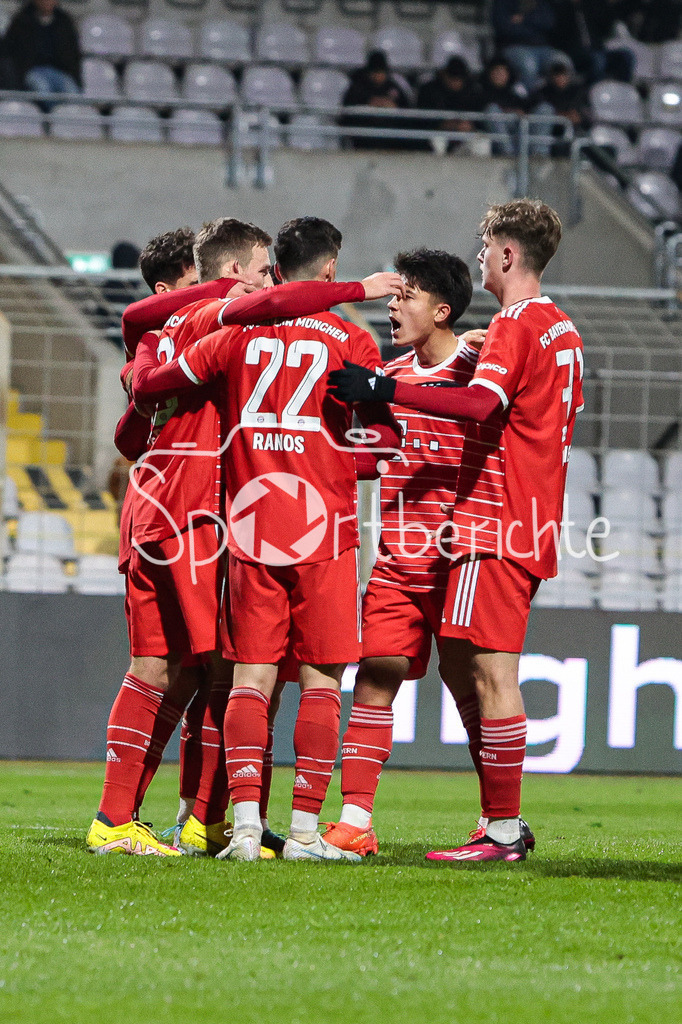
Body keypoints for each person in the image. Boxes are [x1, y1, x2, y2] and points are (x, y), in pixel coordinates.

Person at [131, 217, 404, 863]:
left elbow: (155, 386)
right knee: (320, 682)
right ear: (332, 271)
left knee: (248, 679)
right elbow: (386, 441)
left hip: (250, 526)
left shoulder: (236, 332)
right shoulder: (352, 340)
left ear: (275, 268)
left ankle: (245, 828)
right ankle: (306, 833)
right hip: (325, 528)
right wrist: (337, 457)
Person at [328, 199, 584, 862]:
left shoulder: (499, 342)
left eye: (405, 296)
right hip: (411, 548)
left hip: (479, 534)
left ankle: (501, 825)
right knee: (384, 671)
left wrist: (386, 393)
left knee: (478, 677)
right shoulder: (553, 333)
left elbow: (482, 405)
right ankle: (356, 820)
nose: (392, 306)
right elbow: (370, 456)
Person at [86, 219, 275, 857]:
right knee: (225, 664)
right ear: (231, 275)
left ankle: (119, 819)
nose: (267, 282)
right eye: (261, 268)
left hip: (150, 504)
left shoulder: (156, 334)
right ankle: (206, 818)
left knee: (168, 669)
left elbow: (125, 435)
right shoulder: (214, 319)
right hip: (192, 508)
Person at [4, 0, 81, 95]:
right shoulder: (22, 21)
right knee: (43, 89)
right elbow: (9, 51)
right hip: (32, 70)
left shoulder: (64, 21)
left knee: (72, 91)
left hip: (60, 71)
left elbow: (73, 54)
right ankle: (53, 110)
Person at [341, 50, 411, 150]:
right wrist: (369, 104)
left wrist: (392, 106)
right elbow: (347, 113)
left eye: (381, 72)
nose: (378, 76)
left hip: (391, 141)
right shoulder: (357, 87)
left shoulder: (393, 87)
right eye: (375, 72)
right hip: (363, 139)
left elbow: (406, 111)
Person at [492, 0, 566, 93]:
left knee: (562, 62)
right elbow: (504, 28)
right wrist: (534, 27)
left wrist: (524, 19)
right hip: (514, 46)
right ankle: (528, 101)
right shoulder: (503, 2)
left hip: (542, 48)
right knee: (529, 66)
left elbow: (549, 22)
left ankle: (560, 102)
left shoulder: (541, 3)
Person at [416, 56, 484, 151]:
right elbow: (422, 120)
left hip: (465, 134)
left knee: (482, 142)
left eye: (458, 79)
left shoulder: (473, 92)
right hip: (439, 133)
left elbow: (480, 119)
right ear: (445, 75)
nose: (455, 82)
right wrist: (443, 125)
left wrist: (470, 125)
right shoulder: (430, 90)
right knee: (437, 141)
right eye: (452, 77)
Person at [531, 61, 589, 157]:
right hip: (553, 132)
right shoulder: (544, 92)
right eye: (557, 75)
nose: (560, 79)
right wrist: (563, 116)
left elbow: (579, 115)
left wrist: (577, 117)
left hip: (573, 131)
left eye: (563, 75)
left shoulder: (576, 92)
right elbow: (543, 113)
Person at [479, 56, 528, 156]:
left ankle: (523, 155)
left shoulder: (514, 95)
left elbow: (524, 111)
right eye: (496, 72)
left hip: (513, 135)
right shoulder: (480, 92)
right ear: (489, 73)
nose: (499, 75)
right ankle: (508, 153)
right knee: (492, 110)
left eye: (502, 72)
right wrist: (506, 112)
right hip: (490, 138)